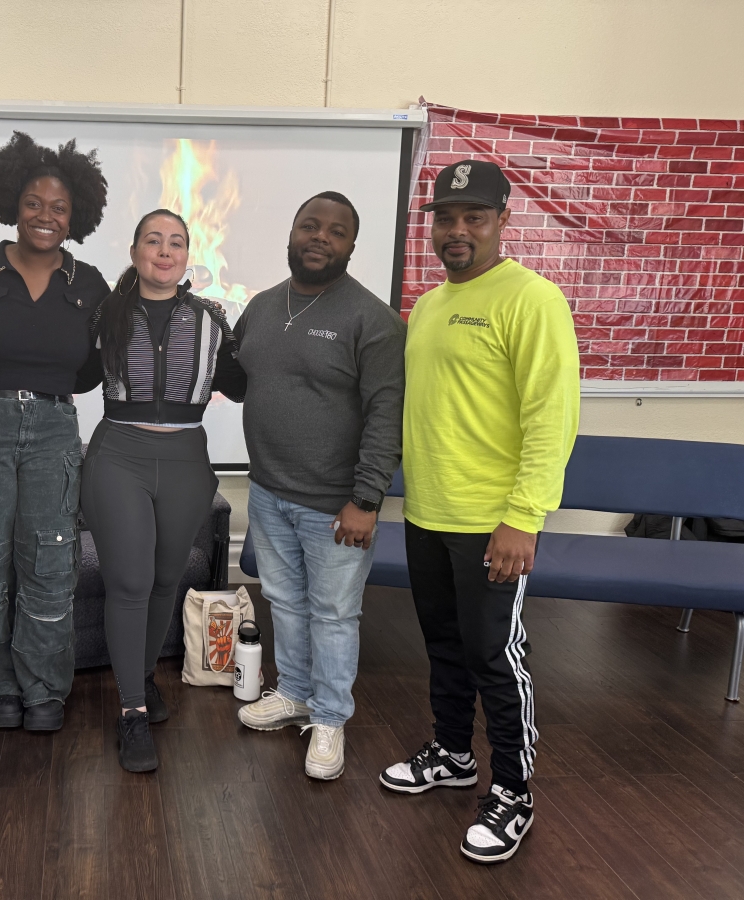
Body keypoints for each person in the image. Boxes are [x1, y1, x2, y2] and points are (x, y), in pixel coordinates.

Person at [378, 160, 579, 864]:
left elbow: (552, 419)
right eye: (447, 217)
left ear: (501, 221)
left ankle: (514, 793)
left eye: (475, 217)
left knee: (497, 656)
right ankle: (454, 753)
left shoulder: (532, 299)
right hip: (429, 515)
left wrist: (523, 517)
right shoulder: (429, 306)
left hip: (492, 523)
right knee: (444, 645)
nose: (457, 230)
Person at [233, 192, 406, 781]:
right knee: (284, 602)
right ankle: (297, 694)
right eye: (310, 225)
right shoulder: (260, 306)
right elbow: (241, 377)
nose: (320, 237)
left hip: (336, 505)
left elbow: (387, 414)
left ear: (351, 246)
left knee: (333, 614)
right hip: (268, 491)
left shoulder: (372, 319)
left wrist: (365, 500)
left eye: (335, 232)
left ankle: (329, 718)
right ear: (291, 232)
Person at [0, 132, 110, 732]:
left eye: (60, 207)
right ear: (12, 203)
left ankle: (44, 688)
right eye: (35, 203)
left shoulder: (90, 284)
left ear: (77, 215)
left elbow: (95, 368)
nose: (46, 215)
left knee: (51, 559)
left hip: (53, 429)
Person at [78, 209, 245, 772]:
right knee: (130, 580)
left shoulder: (210, 320)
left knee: (165, 581)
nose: (165, 251)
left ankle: (143, 679)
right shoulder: (105, 314)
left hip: (185, 459)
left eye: (176, 242)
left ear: (187, 255)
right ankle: (130, 712)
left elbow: (242, 386)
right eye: (154, 240)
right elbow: (73, 374)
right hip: (118, 455)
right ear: (135, 252)